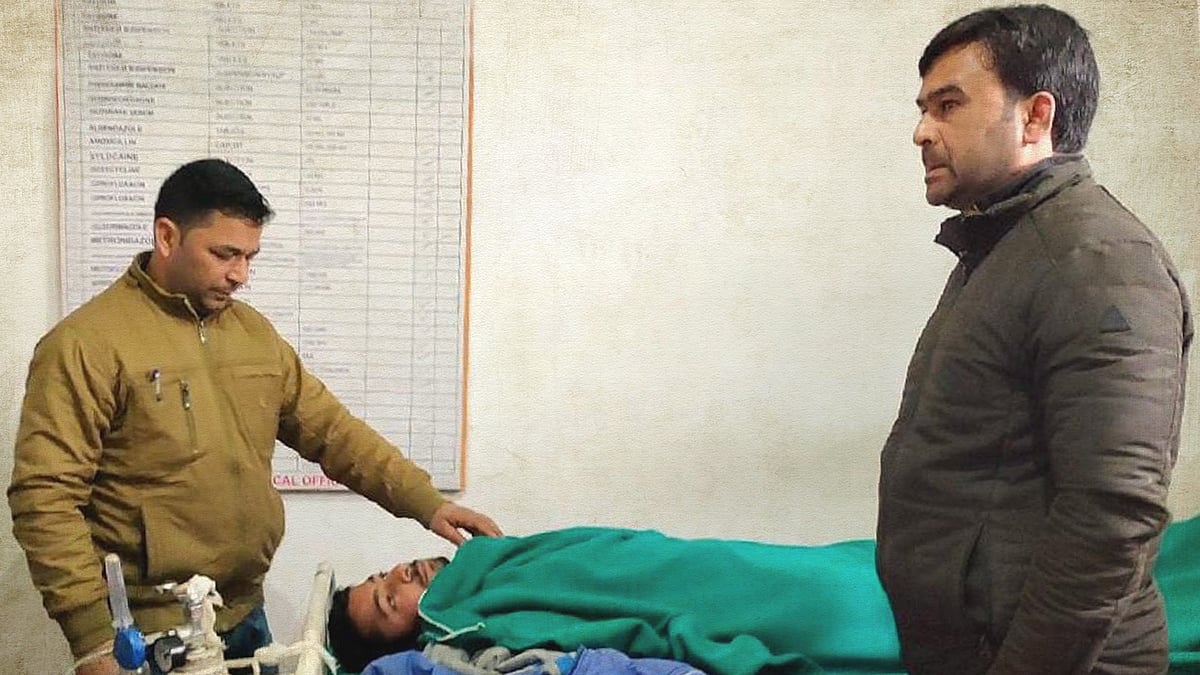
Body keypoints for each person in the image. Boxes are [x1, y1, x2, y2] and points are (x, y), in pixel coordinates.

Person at [7, 158, 503, 675]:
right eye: (224, 254)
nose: (240, 275)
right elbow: (45, 498)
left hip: (243, 614)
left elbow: (334, 433)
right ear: (167, 236)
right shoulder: (85, 345)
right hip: (148, 635)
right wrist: (92, 642)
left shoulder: (253, 335)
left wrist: (426, 503)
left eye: (249, 257)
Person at [876, 5, 1193, 675]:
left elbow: (1111, 513)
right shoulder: (1007, 246)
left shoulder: (1097, 261)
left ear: (1035, 117)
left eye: (948, 105)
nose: (921, 131)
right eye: (923, 109)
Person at [325, 527, 904, 675]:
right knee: (843, 608)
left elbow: (620, 555)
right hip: (736, 602)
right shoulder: (483, 621)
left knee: (836, 572)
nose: (400, 576)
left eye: (382, 576)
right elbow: (630, 624)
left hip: (705, 563)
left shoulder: (499, 562)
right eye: (389, 603)